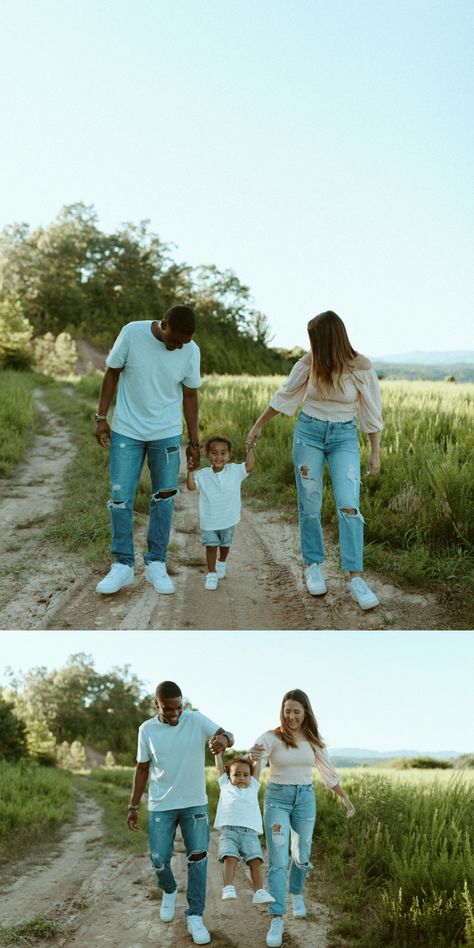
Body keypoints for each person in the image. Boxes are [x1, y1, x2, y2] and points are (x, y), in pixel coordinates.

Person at [246, 311, 383, 610]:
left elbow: (371, 413)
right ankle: (313, 566)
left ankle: (355, 578)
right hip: (308, 434)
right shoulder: (310, 362)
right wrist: (257, 426)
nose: (311, 345)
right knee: (310, 502)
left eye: (315, 339)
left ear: (330, 339)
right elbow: (285, 396)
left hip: (344, 438)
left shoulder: (361, 366)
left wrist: (375, 452)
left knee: (349, 505)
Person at [95, 305, 201, 596]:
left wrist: (194, 442)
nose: (179, 346)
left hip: (166, 434)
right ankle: (123, 566)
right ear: (163, 325)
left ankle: (156, 563)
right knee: (120, 498)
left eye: (186, 342)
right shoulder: (132, 333)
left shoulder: (191, 350)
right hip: (126, 430)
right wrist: (101, 417)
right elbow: (112, 373)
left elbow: (190, 395)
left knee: (164, 499)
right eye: (176, 340)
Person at [128, 680, 234, 946]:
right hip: (161, 805)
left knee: (197, 859)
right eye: (168, 709)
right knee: (159, 859)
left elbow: (228, 735)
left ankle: (195, 915)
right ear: (157, 704)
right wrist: (132, 806)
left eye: (179, 708)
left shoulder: (195, 720)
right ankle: (169, 889)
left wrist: (223, 740)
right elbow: (142, 769)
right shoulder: (147, 730)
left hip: (194, 803)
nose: (175, 714)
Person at [250, 688, 355, 948]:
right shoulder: (270, 738)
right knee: (277, 858)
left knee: (302, 853)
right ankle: (276, 917)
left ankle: (296, 892)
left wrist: (344, 797)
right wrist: (251, 767)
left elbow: (328, 773)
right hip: (277, 800)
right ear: (282, 711)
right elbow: (255, 770)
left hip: (305, 799)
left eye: (296, 711)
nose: (291, 716)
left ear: (305, 712)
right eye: (287, 711)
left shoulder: (313, 740)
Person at [186, 435, 254, 589]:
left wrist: (249, 449)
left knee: (225, 545)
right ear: (208, 455)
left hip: (228, 519)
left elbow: (249, 467)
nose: (219, 456)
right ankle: (211, 574)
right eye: (214, 453)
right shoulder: (203, 475)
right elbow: (191, 487)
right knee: (211, 547)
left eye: (223, 453)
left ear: (229, 455)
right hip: (209, 521)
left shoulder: (235, 470)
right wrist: (190, 471)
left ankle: (221, 562)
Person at [214, 751, 274, 905]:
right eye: (237, 774)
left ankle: (259, 891)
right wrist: (218, 754)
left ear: (250, 776)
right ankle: (228, 887)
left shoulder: (253, 786)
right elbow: (219, 768)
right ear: (229, 777)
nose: (241, 778)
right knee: (230, 858)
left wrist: (257, 758)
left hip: (250, 833)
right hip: (229, 831)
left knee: (255, 861)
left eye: (245, 775)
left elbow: (257, 769)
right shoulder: (225, 785)